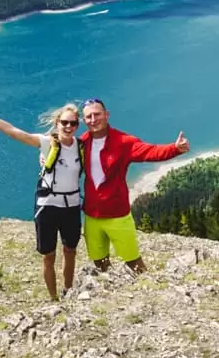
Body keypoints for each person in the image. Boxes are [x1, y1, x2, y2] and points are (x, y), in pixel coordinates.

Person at [0, 91, 82, 301]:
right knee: (48, 256)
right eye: (65, 123)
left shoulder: (81, 147)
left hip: (71, 206)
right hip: (48, 205)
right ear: (57, 122)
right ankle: (53, 299)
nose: (69, 127)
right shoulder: (46, 142)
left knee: (70, 251)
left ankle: (68, 292)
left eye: (73, 123)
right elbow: (12, 131)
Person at [77, 97, 188, 273]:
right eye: (88, 117)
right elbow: (64, 157)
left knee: (134, 263)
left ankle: (146, 290)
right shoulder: (82, 142)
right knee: (99, 261)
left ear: (107, 115)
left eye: (97, 114)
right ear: (84, 121)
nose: (93, 120)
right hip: (92, 214)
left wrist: (174, 148)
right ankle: (111, 293)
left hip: (117, 214)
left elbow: (150, 151)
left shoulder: (123, 141)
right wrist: (45, 157)